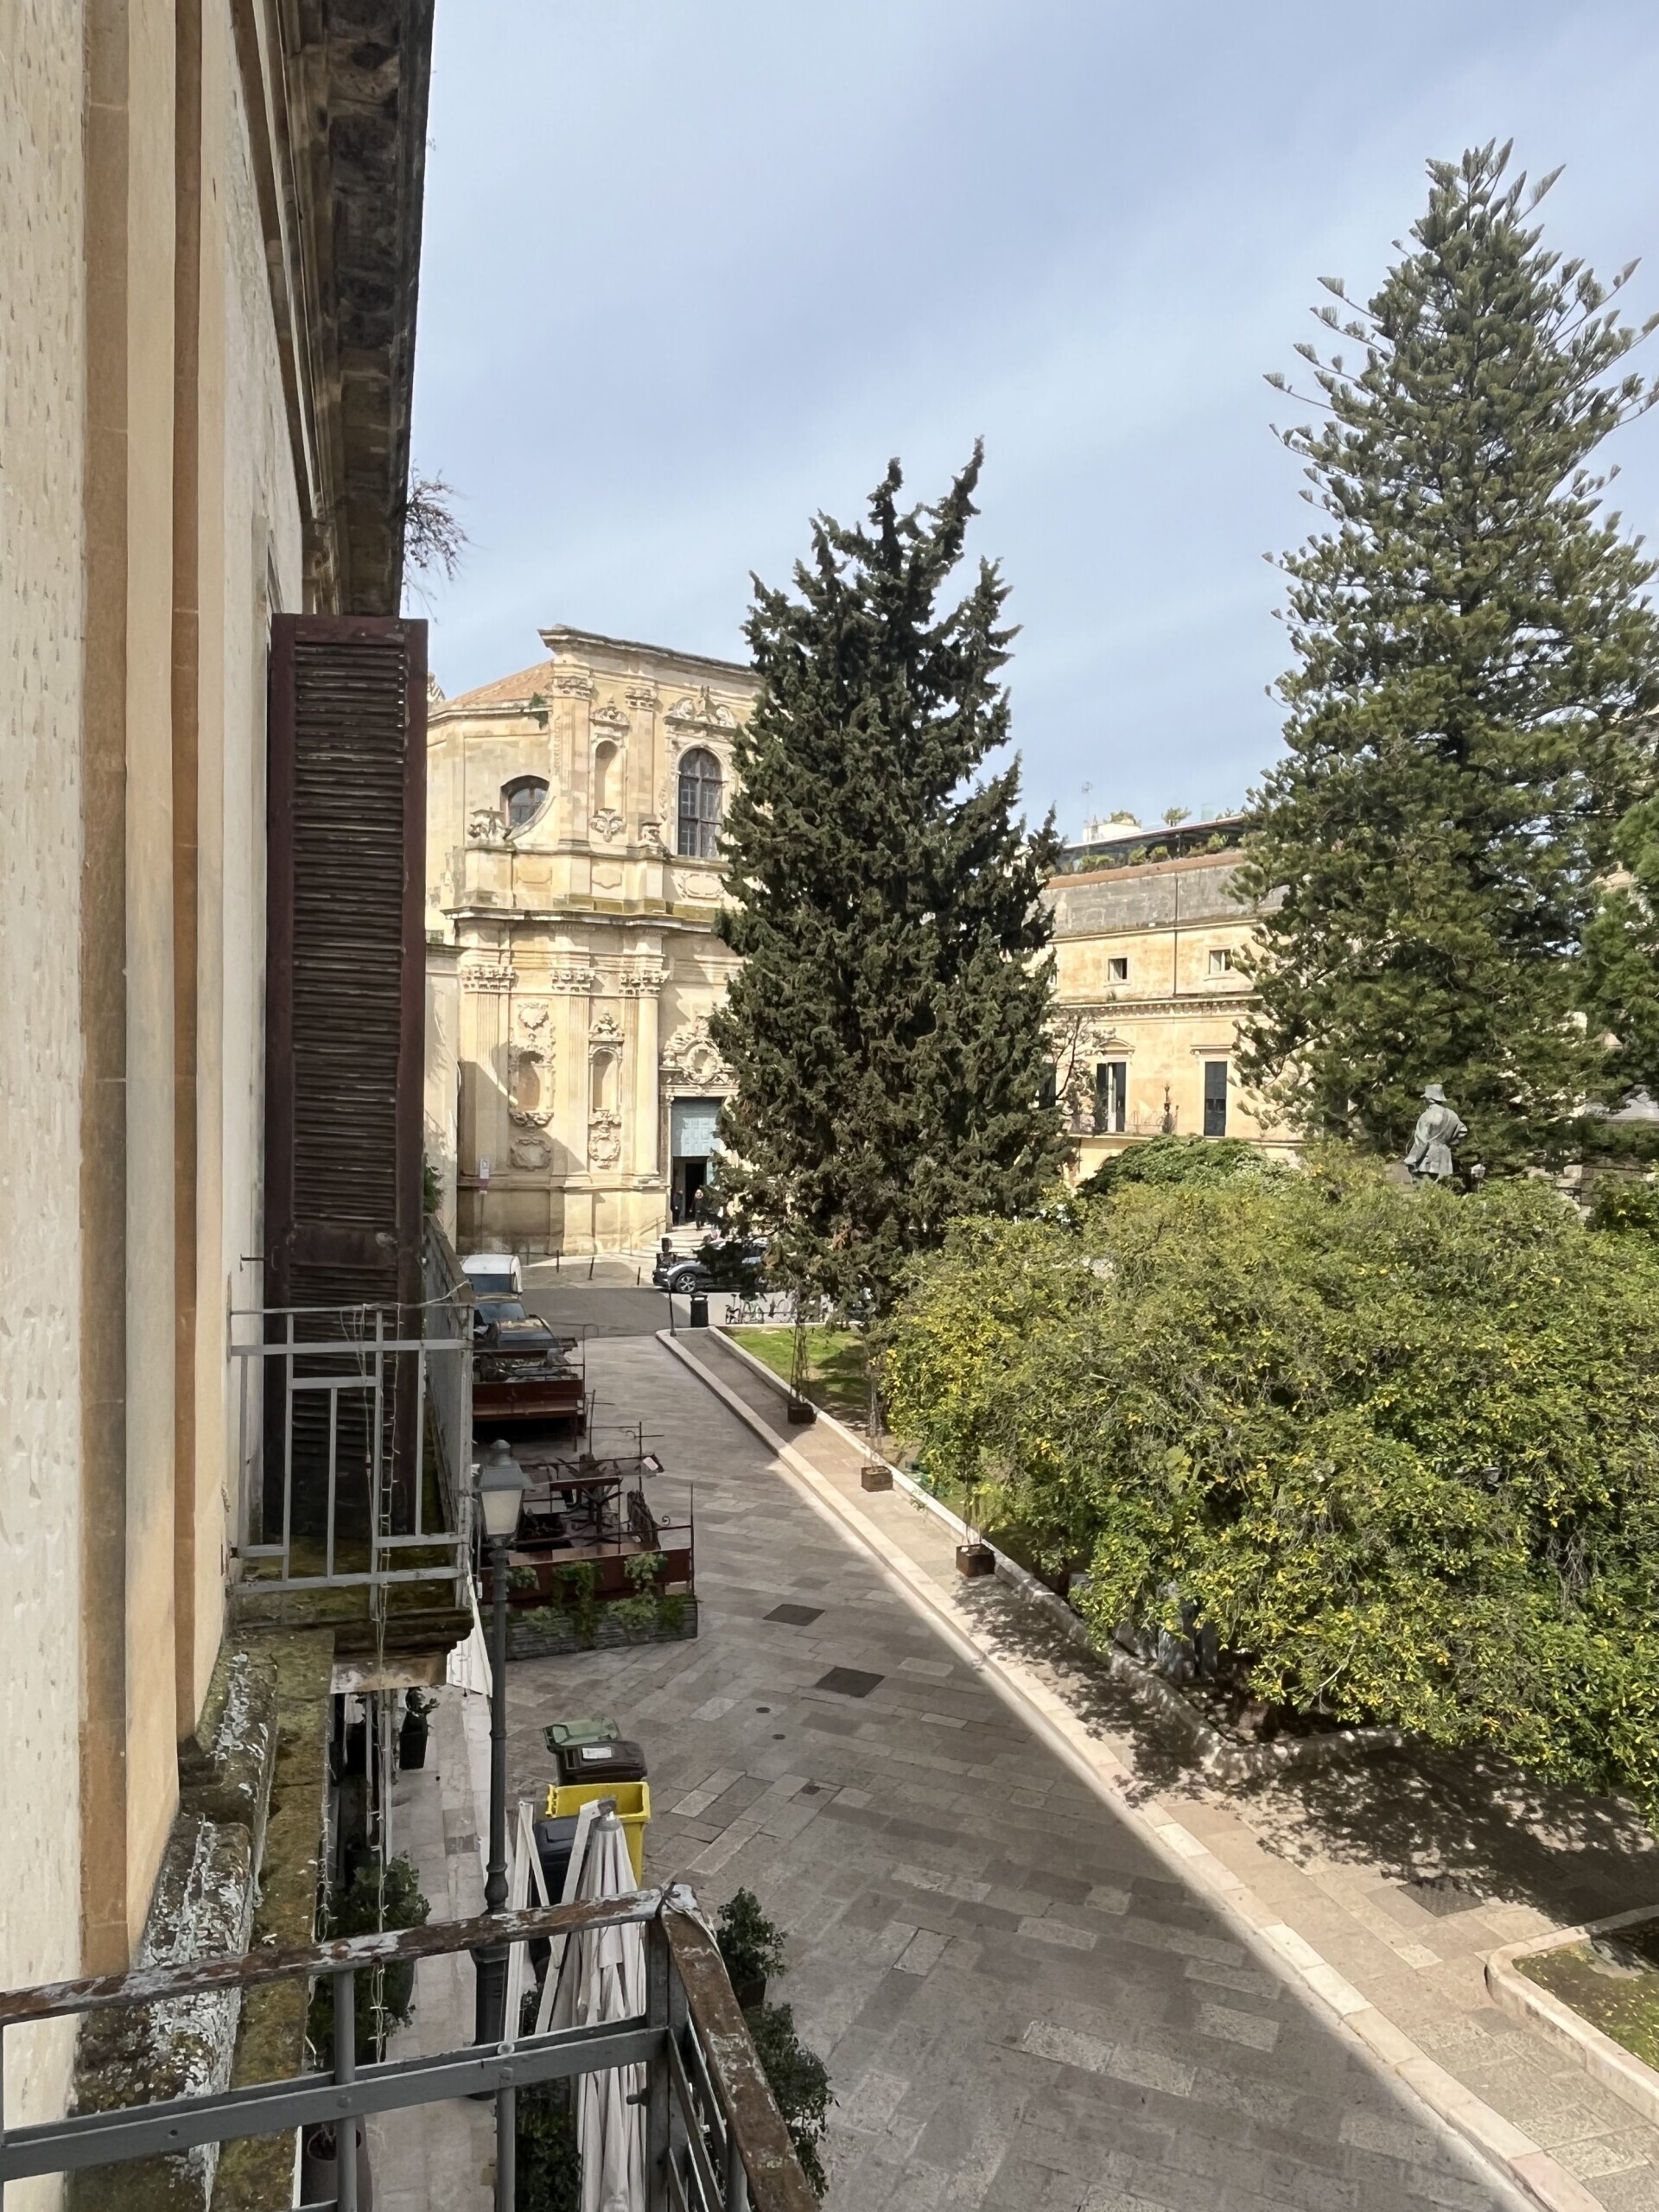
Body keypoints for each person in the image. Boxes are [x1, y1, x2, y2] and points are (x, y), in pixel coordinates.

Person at [1404, 1084, 1468, 1184]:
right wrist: (1448, 1143)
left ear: (1429, 1099)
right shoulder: (1452, 1115)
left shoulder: (1426, 1116)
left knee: (1424, 1190)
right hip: (1445, 1158)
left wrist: (1412, 1159)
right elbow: (1463, 1131)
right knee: (1441, 1189)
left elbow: (1422, 1141)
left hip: (1427, 1158)